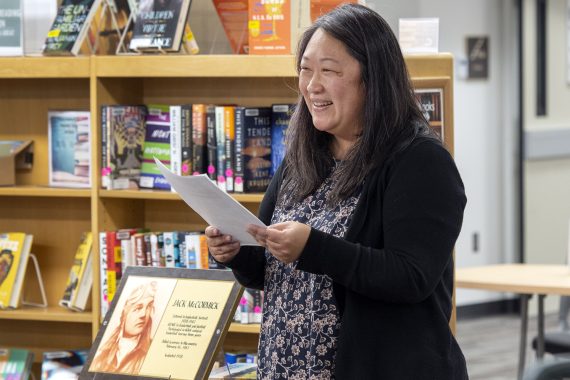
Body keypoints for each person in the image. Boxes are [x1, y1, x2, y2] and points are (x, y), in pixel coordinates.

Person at [206, 4, 468, 379]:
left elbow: (412, 277)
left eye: (329, 70)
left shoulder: (420, 160)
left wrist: (313, 248)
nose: (313, 85)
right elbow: (267, 270)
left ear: (373, 78)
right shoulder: (302, 155)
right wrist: (235, 252)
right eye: (305, 69)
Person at [90, 281, 157, 375]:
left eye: (148, 307)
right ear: (125, 312)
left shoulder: (152, 353)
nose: (143, 314)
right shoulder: (103, 351)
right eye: (138, 308)